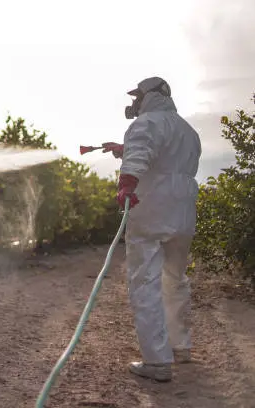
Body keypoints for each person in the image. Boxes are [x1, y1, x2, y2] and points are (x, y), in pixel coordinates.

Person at [103, 76, 202, 382]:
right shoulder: (187, 129)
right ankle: (179, 346)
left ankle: (157, 361)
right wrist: (126, 148)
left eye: (138, 96)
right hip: (183, 210)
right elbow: (163, 157)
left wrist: (127, 182)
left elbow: (141, 154)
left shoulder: (145, 123)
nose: (134, 103)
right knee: (174, 278)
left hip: (152, 207)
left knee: (144, 280)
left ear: (153, 96)